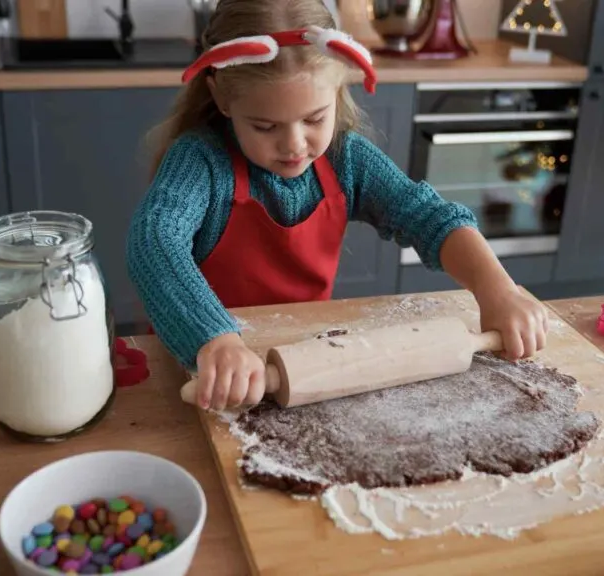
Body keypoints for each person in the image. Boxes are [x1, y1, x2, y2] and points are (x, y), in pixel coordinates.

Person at [126, 0, 548, 411]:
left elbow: (428, 217)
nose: (294, 144)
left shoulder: (347, 160)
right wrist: (212, 339)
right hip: (201, 367)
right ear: (221, 97)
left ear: (338, 88)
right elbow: (154, 240)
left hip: (302, 363)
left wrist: (498, 288)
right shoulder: (201, 162)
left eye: (314, 119)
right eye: (265, 126)